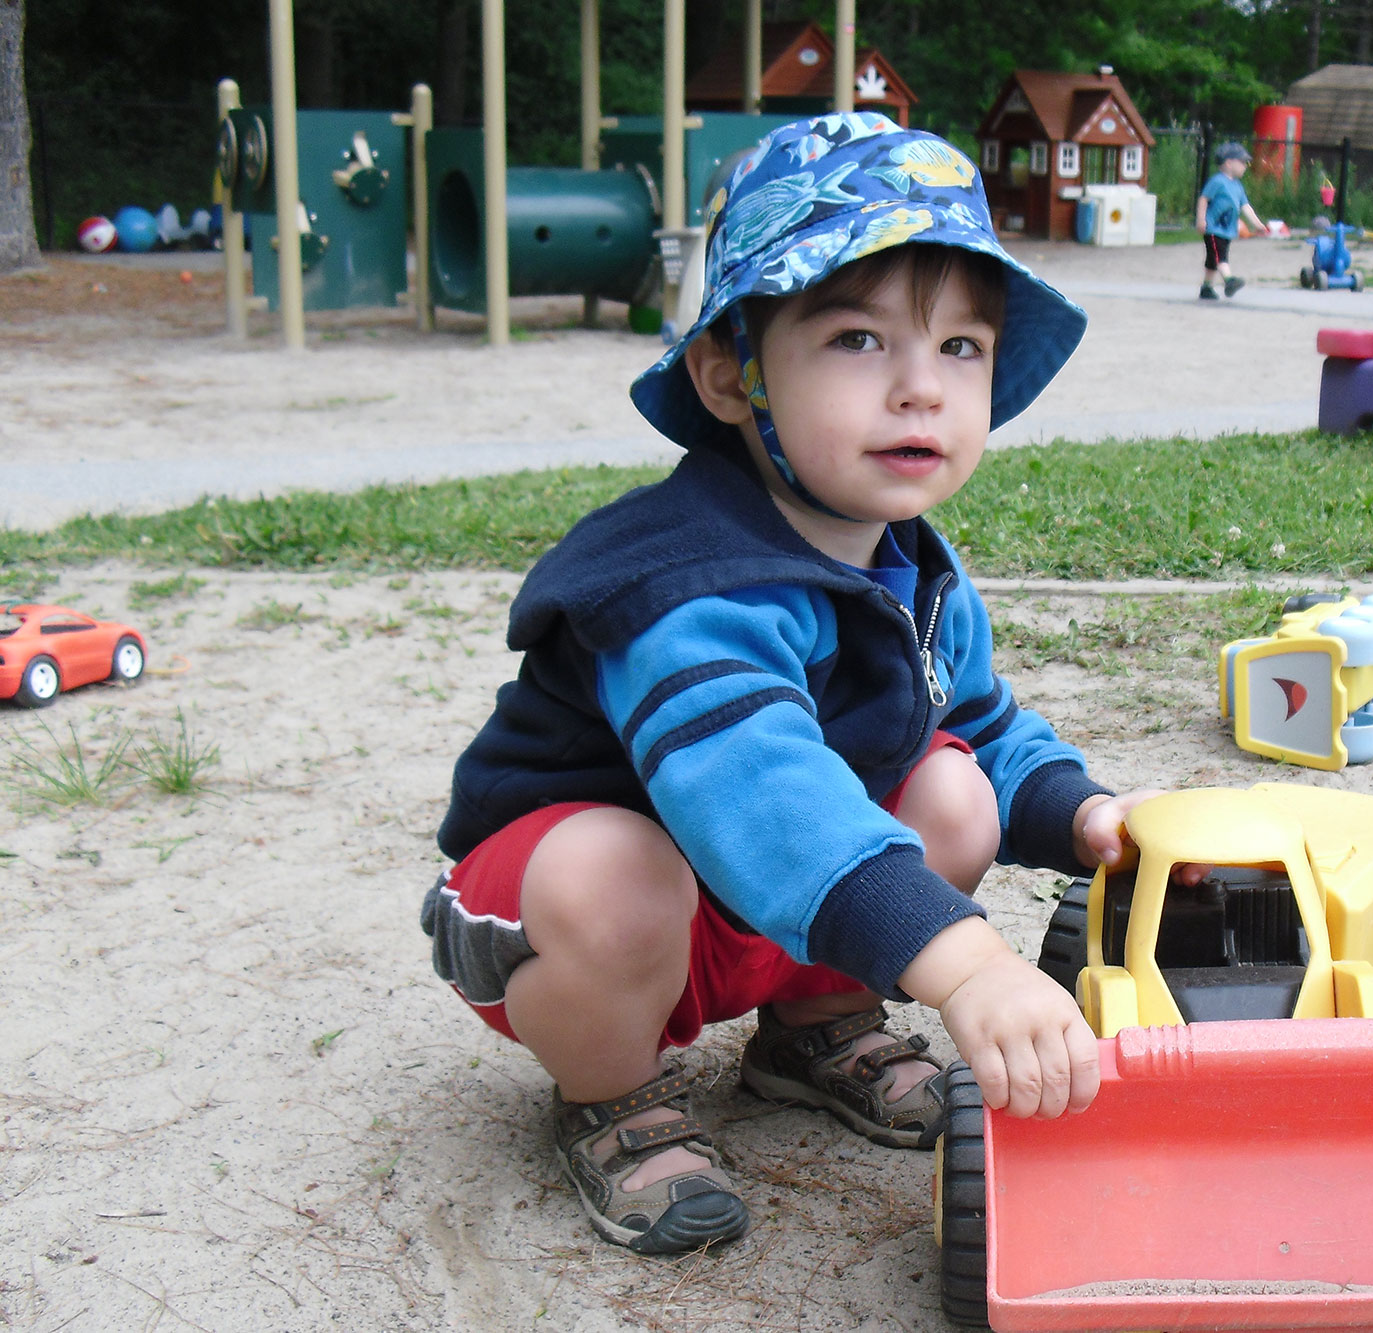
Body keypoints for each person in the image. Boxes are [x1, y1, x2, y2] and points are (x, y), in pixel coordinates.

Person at [420, 112, 1162, 1258]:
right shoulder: (682, 582)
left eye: (960, 347)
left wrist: (1076, 810)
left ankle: (812, 1024)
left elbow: (971, 713)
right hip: (579, 918)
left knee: (952, 791)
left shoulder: (908, 560)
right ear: (729, 373)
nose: (921, 389)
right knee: (613, 871)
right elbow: (760, 792)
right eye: (859, 340)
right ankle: (608, 1097)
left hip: (761, 909)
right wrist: (965, 961)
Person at [1196, 141, 1268, 300]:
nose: (1245, 165)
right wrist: (1201, 220)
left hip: (1227, 230)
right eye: (1242, 162)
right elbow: (1203, 199)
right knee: (1219, 256)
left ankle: (1206, 287)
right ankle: (1229, 280)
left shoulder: (1237, 186)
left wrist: (1257, 224)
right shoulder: (1217, 181)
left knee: (1213, 259)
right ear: (1229, 163)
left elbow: (1246, 207)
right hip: (1213, 228)